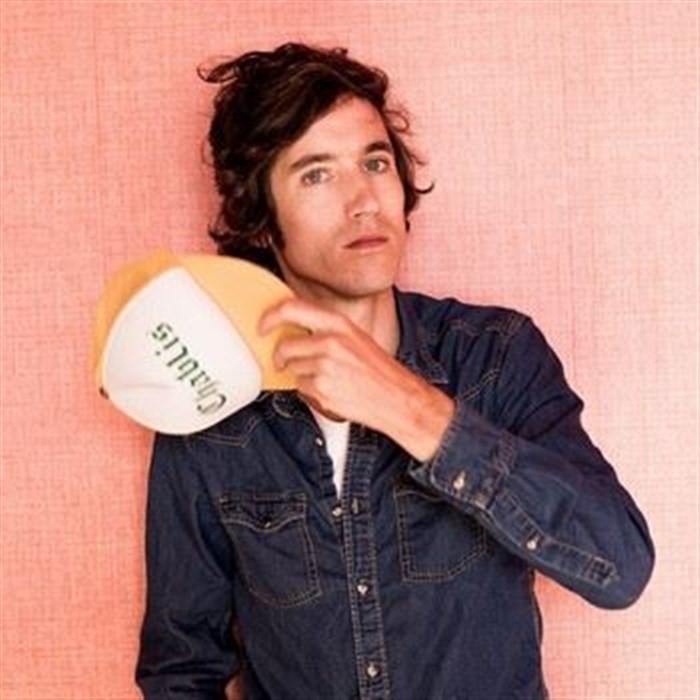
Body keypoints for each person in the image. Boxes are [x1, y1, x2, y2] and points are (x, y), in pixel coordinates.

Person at [135, 42, 654, 700]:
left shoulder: (495, 356)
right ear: (260, 222)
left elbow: (618, 565)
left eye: (375, 162)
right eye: (316, 175)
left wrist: (411, 408)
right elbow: (182, 669)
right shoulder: (211, 403)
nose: (363, 201)